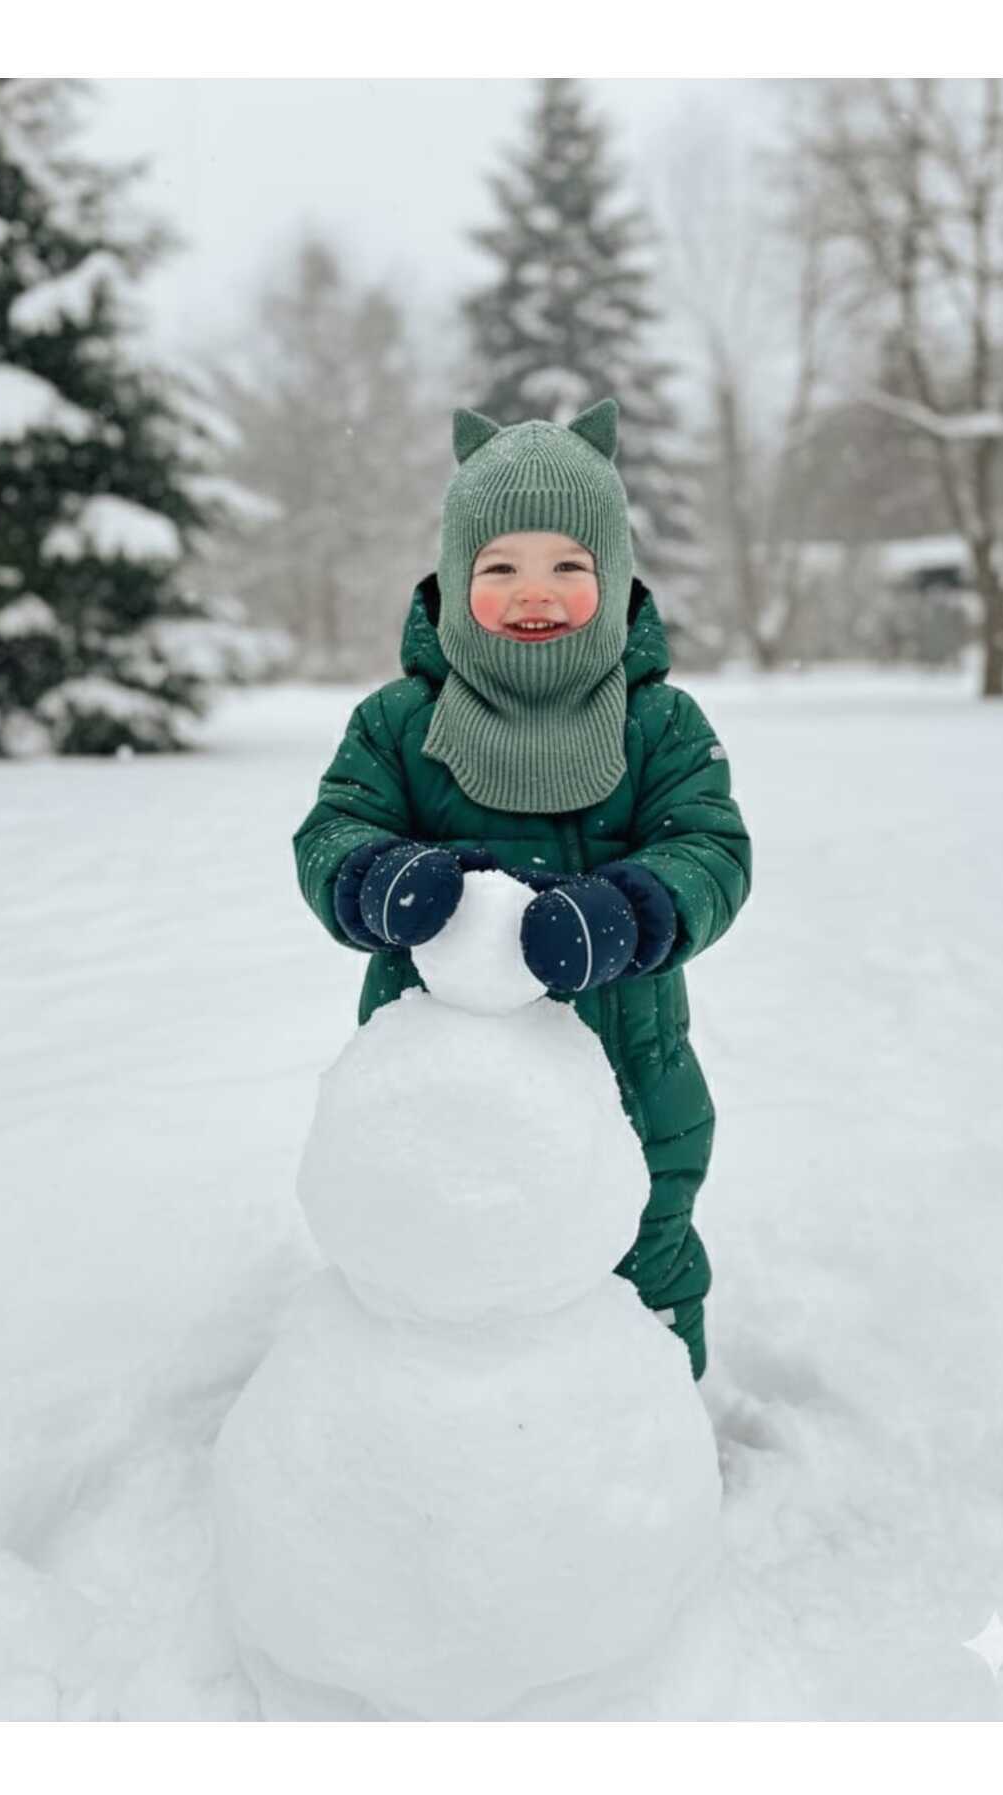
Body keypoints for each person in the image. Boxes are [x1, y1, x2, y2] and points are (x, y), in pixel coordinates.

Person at [292, 398, 752, 1380]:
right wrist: (382, 880)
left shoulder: (658, 724)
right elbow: (333, 832)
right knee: (438, 1257)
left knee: (644, 1241)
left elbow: (709, 847)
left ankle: (654, 1441)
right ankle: (424, 1442)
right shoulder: (398, 723)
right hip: (441, 1081)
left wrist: (629, 908)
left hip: (631, 1058)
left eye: (568, 568)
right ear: (459, 580)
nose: (532, 592)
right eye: (499, 567)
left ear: (614, 574)